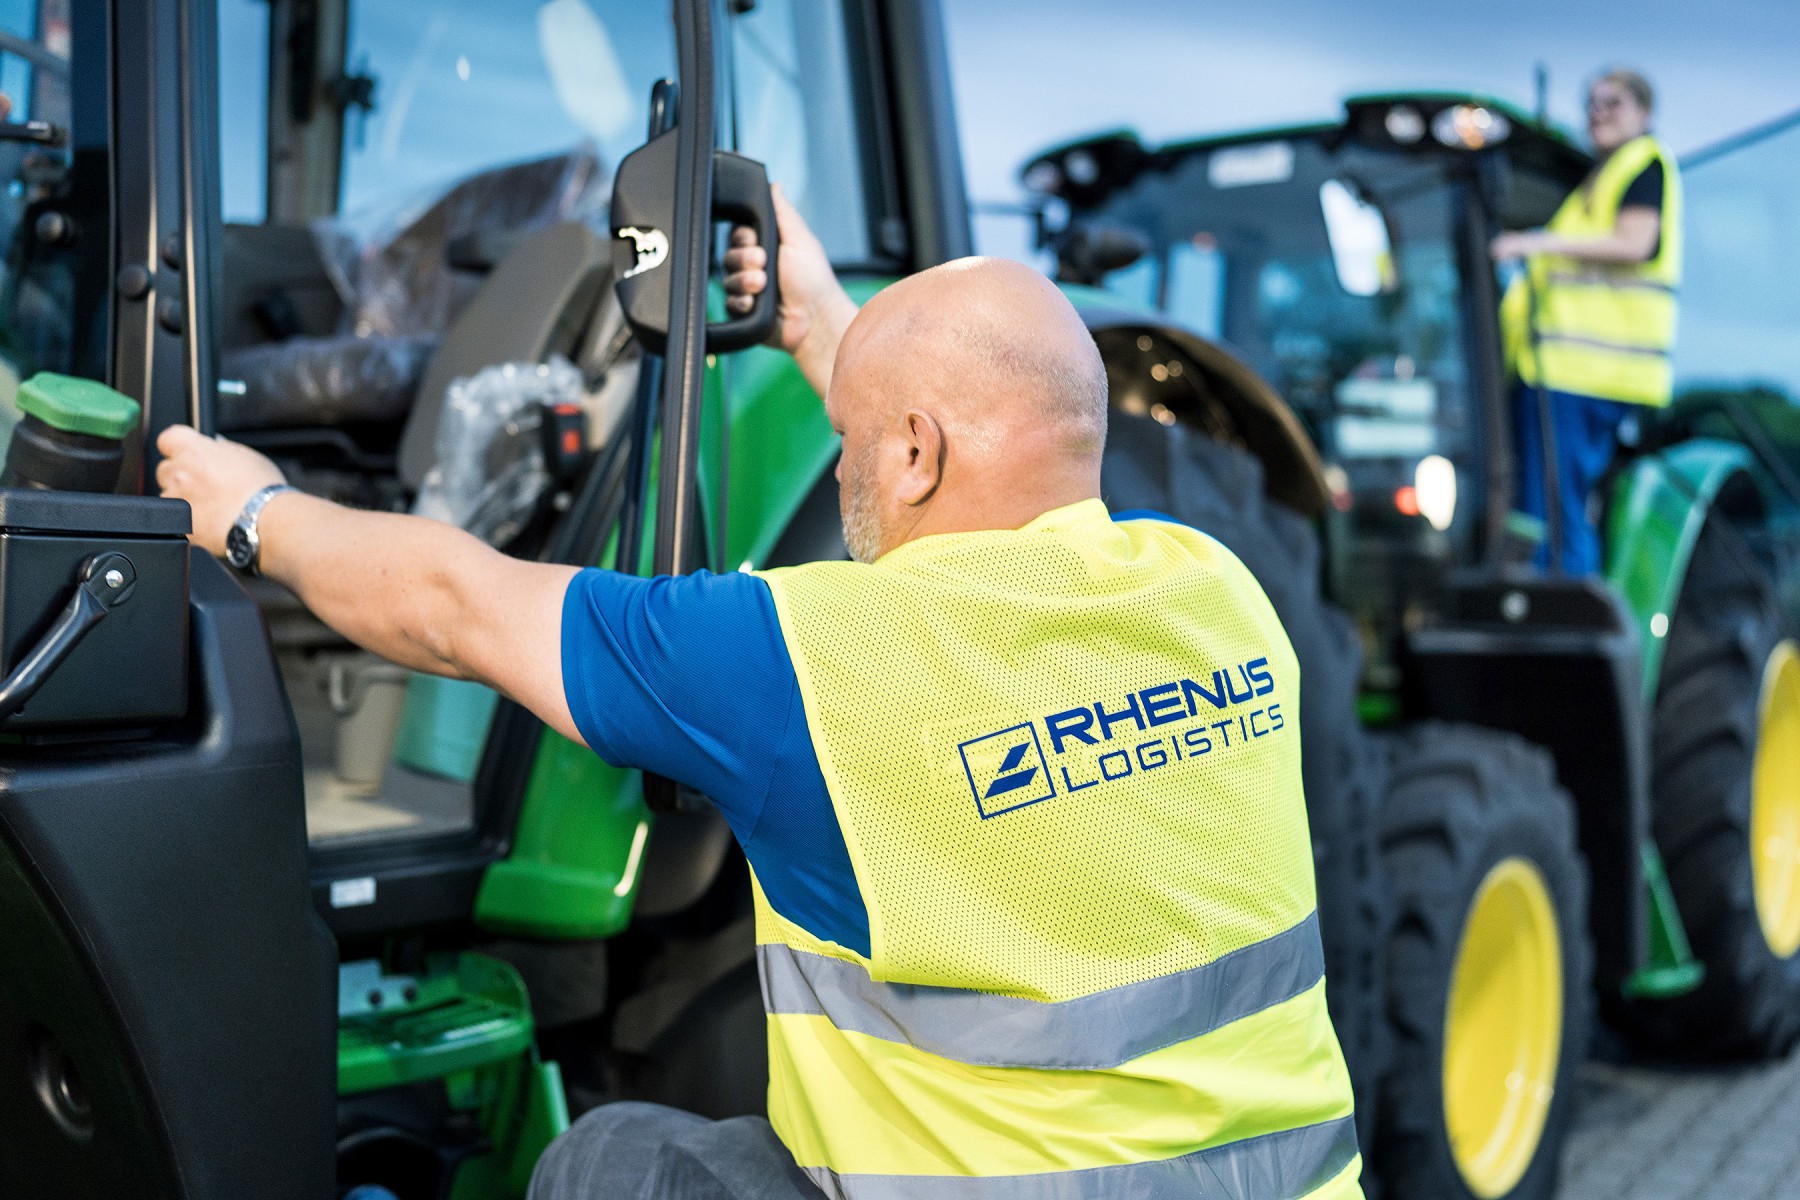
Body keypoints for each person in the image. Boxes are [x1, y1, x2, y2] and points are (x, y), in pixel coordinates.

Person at [156, 196, 1361, 1199]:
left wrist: (253, 511)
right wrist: (819, 320)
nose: (840, 465)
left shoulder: (816, 660)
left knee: (611, 1159)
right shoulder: (1220, 593)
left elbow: (456, 605)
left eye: (851, 441)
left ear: (913, 454)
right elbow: (964, 435)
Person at [1492, 67, 1682, 575]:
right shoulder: (1598, 182)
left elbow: (1635, 242)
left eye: (1613, 103)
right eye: (1592, 103)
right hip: (1558, 371)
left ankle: (1565, 626)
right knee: (1545, 512)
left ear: (1643, 113)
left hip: (1584, 373)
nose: (1598, 112)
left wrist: (1535, 242)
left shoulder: (1643, 163)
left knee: (1555, 516)